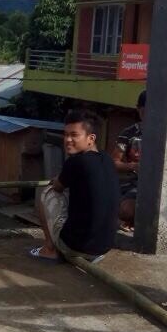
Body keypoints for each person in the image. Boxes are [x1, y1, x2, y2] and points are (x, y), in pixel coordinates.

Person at [31, 109, 120, 261]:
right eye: (66, 134)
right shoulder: (107, 159)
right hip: (103, 248)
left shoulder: (76, 161)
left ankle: (50, 249)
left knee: (46, 192)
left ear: (91, 138)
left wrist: (58, 179)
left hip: (76, 247)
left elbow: (57, 187)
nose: (67, 140)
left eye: (74, 135)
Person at [112, 90, 145, 228]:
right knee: (126, 210)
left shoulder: (166, 134)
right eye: (144, 111)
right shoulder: (128, 133)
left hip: (159, 188)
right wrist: (134, 166)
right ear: (138, 109)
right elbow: (114, 163)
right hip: (132, 185)